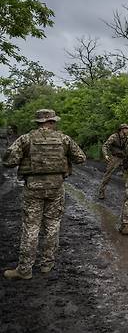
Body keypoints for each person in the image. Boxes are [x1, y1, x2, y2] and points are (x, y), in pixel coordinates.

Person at [2, 109, 86, 280]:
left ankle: (24, 270)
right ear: (53, 122)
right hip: (56, 188)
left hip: (33, 188)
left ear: (37, 122)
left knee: (31, 227)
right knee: (52, 225)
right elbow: (81, 158)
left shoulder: (26, 138)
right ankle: (47, 264)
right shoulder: (64, 139)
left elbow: (8, 161)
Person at [98, 123, 128, 199]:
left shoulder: (127, 138)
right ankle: (101, 192)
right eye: (126, 128)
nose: (127, 130)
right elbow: (105, 146)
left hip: (124, 158)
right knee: (108, 175)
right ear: (121, 129)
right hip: (115, 158)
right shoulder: (114, 137)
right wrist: (105, 155)